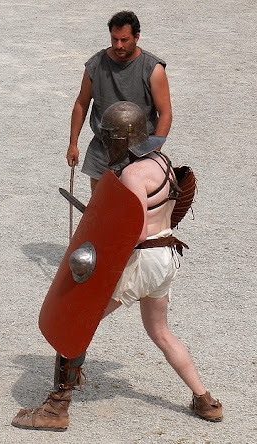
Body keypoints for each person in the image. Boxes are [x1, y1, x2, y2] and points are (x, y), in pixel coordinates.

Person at [12, 102, 222, 431]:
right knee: (161, 332)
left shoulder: (132, 173)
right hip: (167, 258)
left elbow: (132, 230)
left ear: (120, 139)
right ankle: (204, 400)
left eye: (110, 138)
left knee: (76, 321)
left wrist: (103, 227)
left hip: (144, 259)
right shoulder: (162, 161)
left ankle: (54, 410)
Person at [66, 10, 172, 192]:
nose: (118, 45)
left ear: (137, 37)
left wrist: (154, 152)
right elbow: (81, 104)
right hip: (103, 151)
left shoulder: (153, 69)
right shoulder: (96, 65)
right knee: (101, 211)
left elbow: (165, 113)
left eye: (124, 40)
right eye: (114, 39)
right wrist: (73, 143)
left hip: (139, 152)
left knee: (137, 212)